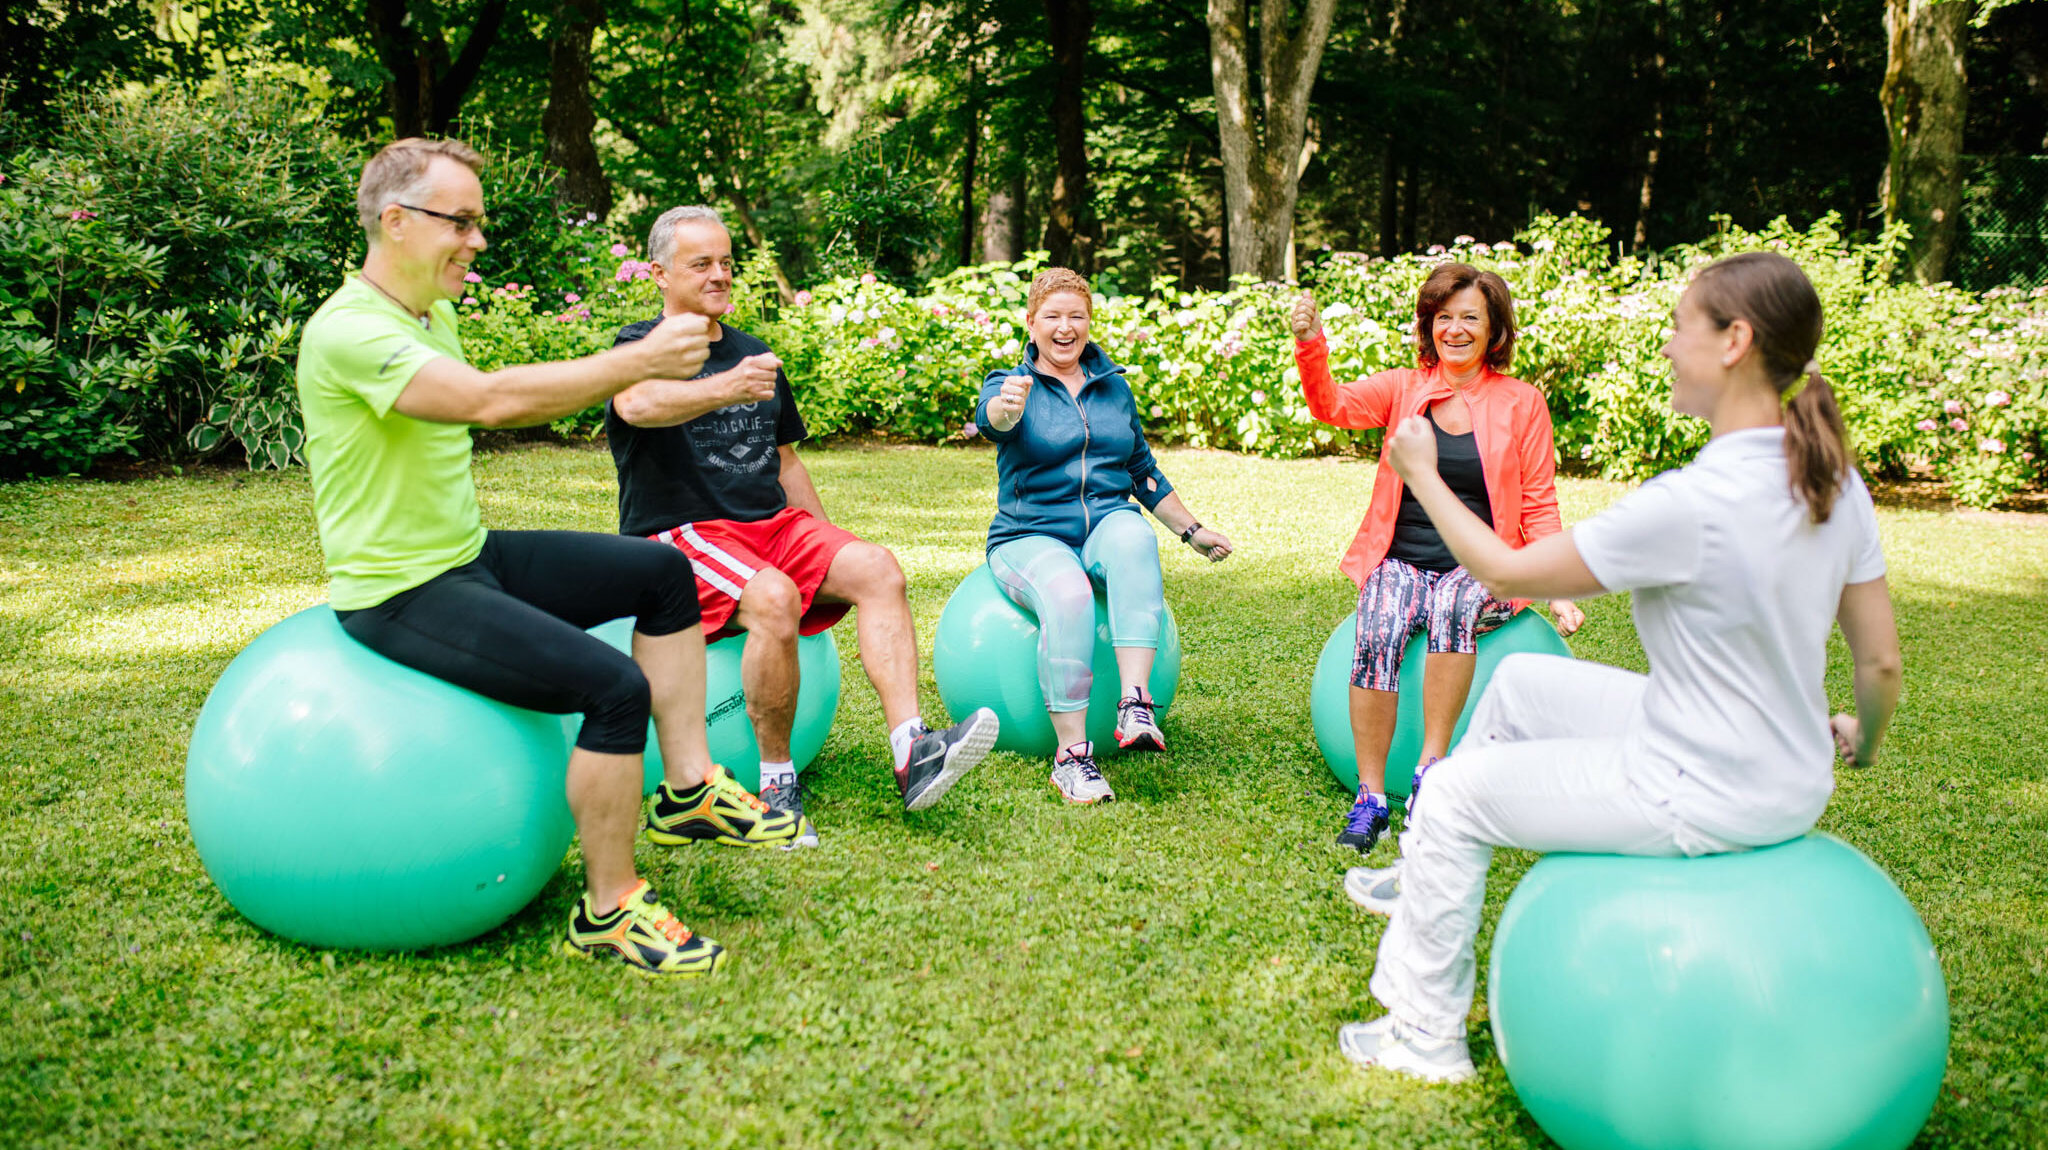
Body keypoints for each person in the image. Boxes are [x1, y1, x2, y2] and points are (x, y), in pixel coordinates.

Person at [1334, 251, 1904, 1083]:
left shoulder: (1692, 501)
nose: (1668, 347)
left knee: (1453, 796)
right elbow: (1880, 663)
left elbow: (1501, 572)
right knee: (1523, 684)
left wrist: (1420, 470)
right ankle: (1422, 873)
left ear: (1735, 341)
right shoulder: (1833, 479)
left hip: (1699, 786)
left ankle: (1422, 1036)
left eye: (1681, 328)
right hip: (1783, 768)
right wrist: (1859, 734)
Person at [297, 139, 803, 979]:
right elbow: (490, 401)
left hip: (465, 554)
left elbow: (500, 388)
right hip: (399, 589)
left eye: (478, 222)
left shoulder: (431, 315)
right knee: (611, 690)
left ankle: (687, 789)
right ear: (394, 221)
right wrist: (636, 363)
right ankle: (610, 909)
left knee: (661, 575)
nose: (477, 241)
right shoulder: (350, 331)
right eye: (460, 222)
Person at [609, 206, 999, 845]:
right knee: (772, 598)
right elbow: (638, 405)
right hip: (684, 533)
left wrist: (827, 545)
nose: (719, 275)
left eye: (726, 263)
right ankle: (776, 786)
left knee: (877, 568)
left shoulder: (753, 354)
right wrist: (723, 388)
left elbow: (784, 460)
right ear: (658, 273)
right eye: (700, 263)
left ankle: (913, 750)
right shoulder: (636, 348)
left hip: (771, 526)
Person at [1291, 264, 1584, 856]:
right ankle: (1370, 796)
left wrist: (1557, 586)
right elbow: (1332, 406)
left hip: (1485, 568)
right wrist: (1309, 346)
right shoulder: (1405, 388)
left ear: (1494, 330)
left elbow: (1538, 501)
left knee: (1453, 603)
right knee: (1378, 622)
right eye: (1443, 317)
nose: (1455, 328)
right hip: (1401, 560)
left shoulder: (1522, 403)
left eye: (1470, 317)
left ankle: (1430, 775)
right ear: (1429, 325)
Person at [973, 267, 1235, 805]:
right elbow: (992, 420)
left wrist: (1192, 530)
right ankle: (1072, 759)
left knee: (1135, 538)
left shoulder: (1113, 386)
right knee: (1068, 591)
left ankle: (1135, 704)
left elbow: (1141, 468)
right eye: (1053, 317)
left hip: (1104, 526)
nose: (1065, 328)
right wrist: (1006, 410)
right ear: (1031, 322)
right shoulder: (1009, 382)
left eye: (1077, 316)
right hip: (1030, 535)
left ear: (1089, 322)